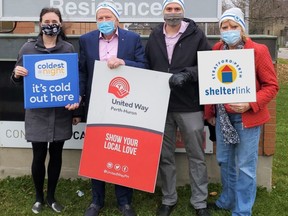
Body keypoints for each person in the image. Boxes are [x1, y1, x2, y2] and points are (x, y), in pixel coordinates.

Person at [205, 7, 279, 216]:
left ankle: (242, 210)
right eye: (225, 27)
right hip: (223, 118)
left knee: (245, 166)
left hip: (248, 117)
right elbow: (212, 84)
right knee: (224, 161)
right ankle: (227, 199)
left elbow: (272, 86)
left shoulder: (258, 51)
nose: (229, 30)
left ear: (242, 28)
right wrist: (210, 113)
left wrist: (250, 103)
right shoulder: (217, 49)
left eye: (233, 26)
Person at [78, 1, 147, 216]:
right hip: (97, 105)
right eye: (100, 18)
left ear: (117, 19)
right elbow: (82, 72)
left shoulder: (133, 38)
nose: (104, 21)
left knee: (121, 152)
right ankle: (96, 201)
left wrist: (124, 62)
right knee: (96, 153)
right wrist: (79, 98)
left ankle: (124, 200)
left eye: (108, 17)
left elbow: (144, 66)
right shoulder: (86, 40)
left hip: (122, 104)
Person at [10, 7, 80, 214]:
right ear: (40, 24)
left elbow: (74, 82)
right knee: (38, 156)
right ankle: (39, 197)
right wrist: (16, 74)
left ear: (60, 23)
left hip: (60, 113)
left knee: (57, 155)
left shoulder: (68, 49)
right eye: (47, 20)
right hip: (37, 114)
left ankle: (51, 196)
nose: (51, 24)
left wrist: (76, 108)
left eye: (54, 20)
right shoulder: (27, 49)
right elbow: (15, 80)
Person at [145, 1, 211, 216]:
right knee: (165, 156)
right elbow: (147, 65)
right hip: (162, 105)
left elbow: (208, 64)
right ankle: (168, 198)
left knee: (196, 155)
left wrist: (188, 74)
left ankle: (200, 201)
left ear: (182, 12)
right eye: (169, 9)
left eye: (176, 9)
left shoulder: (196, 35)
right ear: (163, 12)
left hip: (189, 104)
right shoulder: (155, 35)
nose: (173, 13)